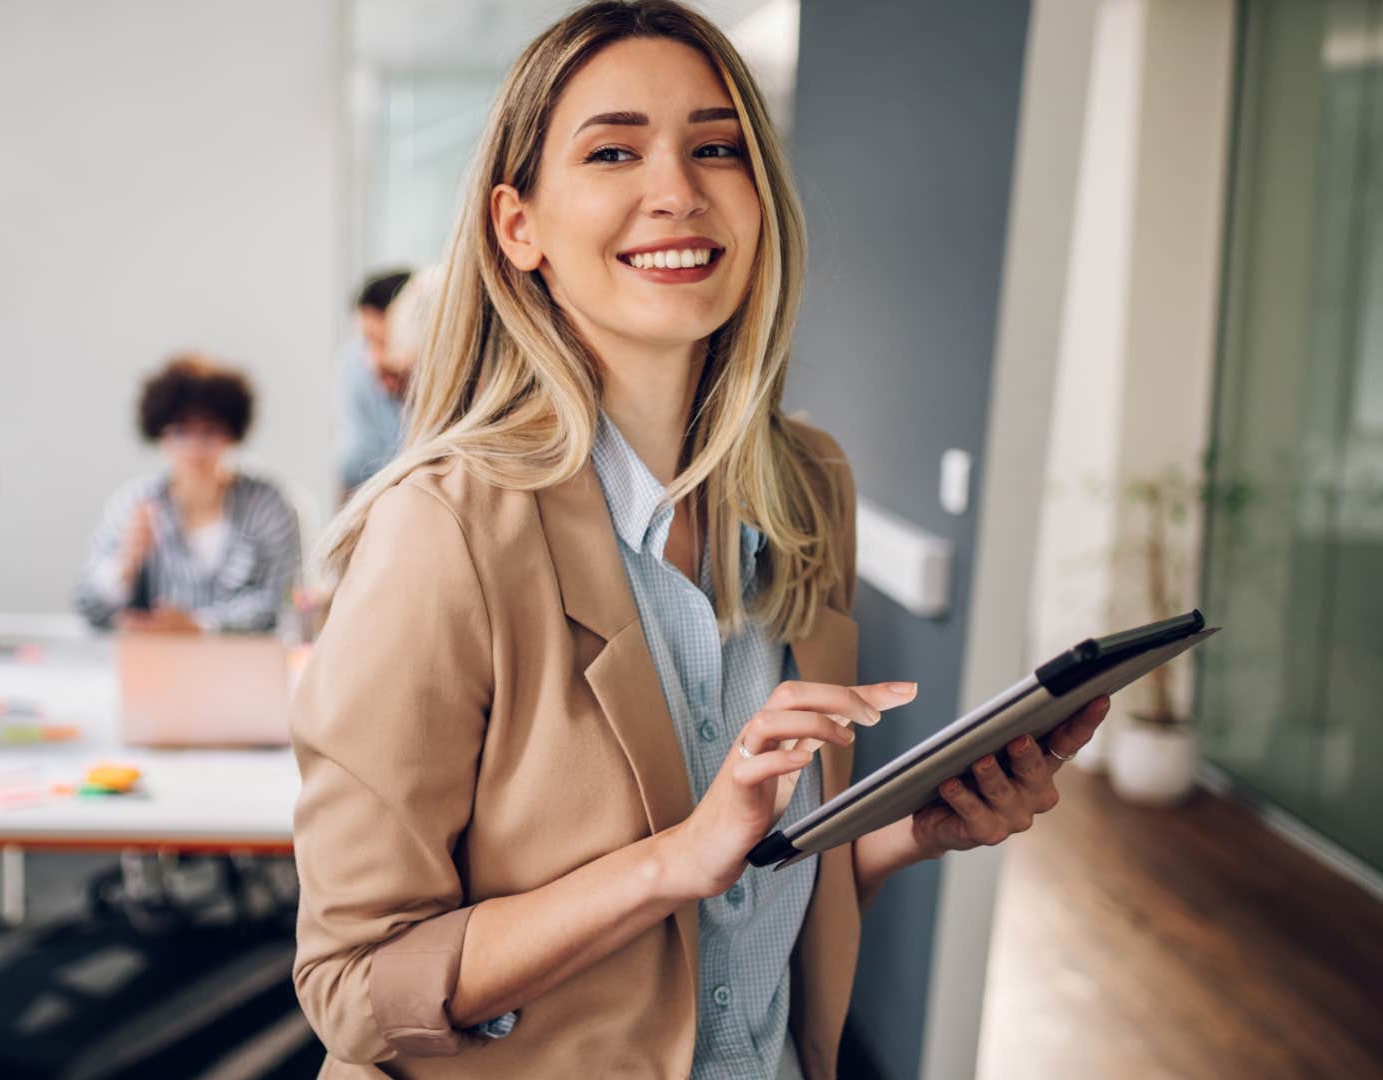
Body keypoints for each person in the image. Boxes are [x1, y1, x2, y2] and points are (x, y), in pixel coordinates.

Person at [287, 4, 1111, 1078]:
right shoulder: (442, 531)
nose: (677, 188)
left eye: (717, 147)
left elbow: (748, 903)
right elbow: (354, 988)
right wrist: (673, 860)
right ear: (517, 224)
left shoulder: (808, 485)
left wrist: (918, 831)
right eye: (614, 149)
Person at [75, 355, 302, 634]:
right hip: (156, 667)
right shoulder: (134, 504)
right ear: (160, 435)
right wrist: (123, 565)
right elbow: (89, 608)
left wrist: (198, 626)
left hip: (243, 667)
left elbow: (279, 604)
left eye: (209, 433)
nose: (194, 449)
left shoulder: (268, 506)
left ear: (230, 435)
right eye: (181, 432)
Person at [335, 269, 412, 500]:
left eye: (385, 342)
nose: (375, 360)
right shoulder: (353, 365)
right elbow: (353, 465)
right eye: (368, 340)